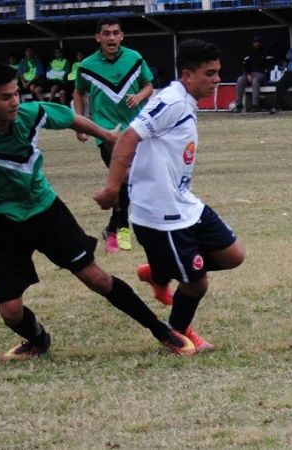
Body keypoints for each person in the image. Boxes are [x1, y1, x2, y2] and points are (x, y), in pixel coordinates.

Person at [0, 62, 196, 361]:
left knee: (97, 278)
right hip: (0, 224)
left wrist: (106, 135)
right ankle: (38, 339)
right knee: (10, 312)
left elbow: (70, 118)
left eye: (16, 93)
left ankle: (162, 331)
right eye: (5, 97)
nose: (15, 101)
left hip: (45, 210)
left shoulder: (29, 114)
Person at [94, 39, 245, 354]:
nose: (217, 79)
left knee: (233, 255)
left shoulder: (184, 99)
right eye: (210, 73)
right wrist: (112, 189)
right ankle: (176, 334)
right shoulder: (172, 102)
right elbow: (127, 139)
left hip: (184, 202)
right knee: (196, 283)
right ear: (188, 76)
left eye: (218, 72)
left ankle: (161, 270)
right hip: (162, 213)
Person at [74, 17, 154, 253]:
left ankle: (112, 227)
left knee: (129, 182)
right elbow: (79, 93)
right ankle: (122, 231)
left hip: (135, 130)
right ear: (97, 37)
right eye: (106, 33)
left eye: (115, 33)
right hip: (106, 133)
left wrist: (140, 96)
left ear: (122, 36)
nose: (111, 38)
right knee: (121, 180)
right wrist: (80, 124)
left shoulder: (135, 58)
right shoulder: (87, 66)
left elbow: (149, 86)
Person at [234, 36, 276, 113]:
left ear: (261, 43)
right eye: (255, 42)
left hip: (261, 74)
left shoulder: (266, 52)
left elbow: (271, 64)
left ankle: (255, 105)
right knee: (240, 80)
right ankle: (238, 105)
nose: (257, 44)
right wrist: (247, 74)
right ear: (253, 43)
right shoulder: (249, 53)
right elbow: (244, 66)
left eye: (258, 42)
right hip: (249, 74)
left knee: (255, 80)